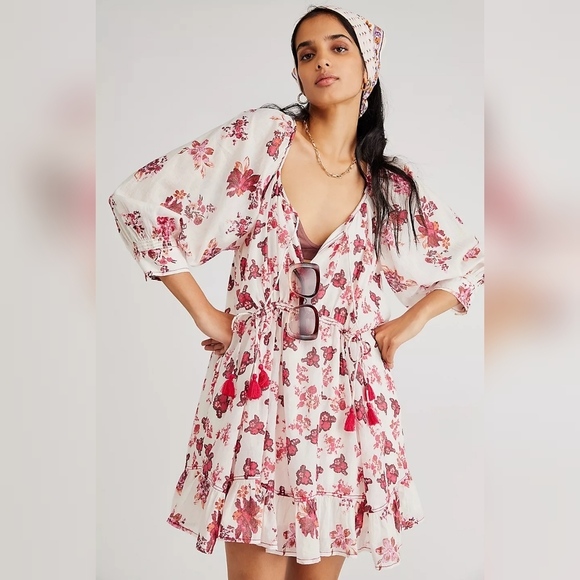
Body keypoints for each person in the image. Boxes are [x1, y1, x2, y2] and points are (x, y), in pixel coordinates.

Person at [108, 5, 484, 579]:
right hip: (257, 392)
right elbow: (139, 203)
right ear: (297, 73)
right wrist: (205, 313)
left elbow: (468, 263)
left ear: (369, 67)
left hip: (346, 401)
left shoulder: (387, 185)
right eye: (307, 54)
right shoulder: (263, 140)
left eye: (338, 47)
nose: (322, 61)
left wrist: (406, 324)